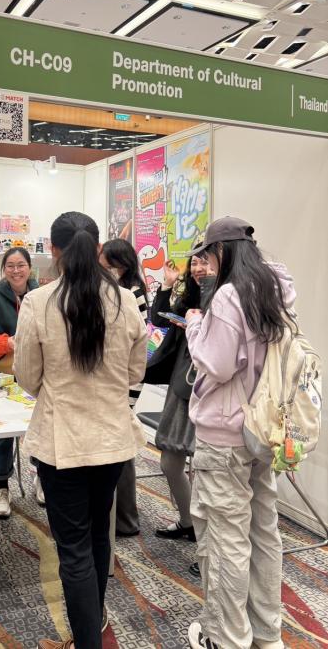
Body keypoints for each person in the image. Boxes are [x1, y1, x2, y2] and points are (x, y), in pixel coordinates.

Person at [15, 211, 147, 649]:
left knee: (72, 548)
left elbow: (27, 376)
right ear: (97, 248)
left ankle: (85, 641)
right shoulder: (126, 300)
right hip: (112, 440)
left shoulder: (39, 302)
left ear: (53, 250)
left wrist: (58, 385)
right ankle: (88, 632)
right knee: (97, 537)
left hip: (62, 442)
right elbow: (135, 372)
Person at [184, 217, 294, 649]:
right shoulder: (276, 289)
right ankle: (267, 634)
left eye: (208, 256)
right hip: (262, 429)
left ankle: (226, 638)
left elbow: (217, 363)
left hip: (224, 434)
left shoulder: (231, 295)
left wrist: (196, 326)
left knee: (224, 538)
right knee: (263, 532)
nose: (206, 266)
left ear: (221, 251)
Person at [148, 254, 211, 548]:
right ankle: (189, 522)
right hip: (181, 384)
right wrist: (167, 285)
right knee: (170, 462)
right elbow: (158, 319)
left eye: (206, 262)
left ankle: (208, 544)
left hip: (209, 392)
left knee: (209, 471)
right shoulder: (191, 296)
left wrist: (199, 328)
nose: (199, 268)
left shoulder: (227, 299)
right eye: (195, 262)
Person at [0, 246, 40, 518]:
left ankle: (42, 477)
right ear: (3, 269)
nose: (16, 271)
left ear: (29, 268)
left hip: (38, 372)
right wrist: (7, 342)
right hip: (4, 374)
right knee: (3, 432)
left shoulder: (42, 296)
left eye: (21, 265)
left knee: (41, 425)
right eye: (10, 266)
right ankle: (2, 486)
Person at [100, 238, 148, 537]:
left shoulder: (131, 294)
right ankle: (120, 515)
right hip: (120, 378)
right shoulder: (123, 290)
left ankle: (126, 518)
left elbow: (135, 344)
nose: (103, 271)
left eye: (107, 266)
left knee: (122, 448)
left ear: (120, 265)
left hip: (126, 381)